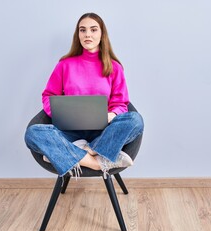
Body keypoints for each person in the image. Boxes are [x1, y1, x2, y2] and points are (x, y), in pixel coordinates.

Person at [25, 13, 144, 178]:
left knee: (136, 120)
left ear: (101, 35)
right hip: (69, 132)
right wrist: (59, 115)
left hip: (104, 133)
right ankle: (96, 162)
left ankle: (74, 152)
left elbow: (121, 103)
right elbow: (48, 95)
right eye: (83, 30)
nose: (88, 34)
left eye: (93, 30)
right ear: (78, 35)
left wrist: (111, 115)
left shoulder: (114, 67)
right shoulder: (64, 65)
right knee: (33, 133)